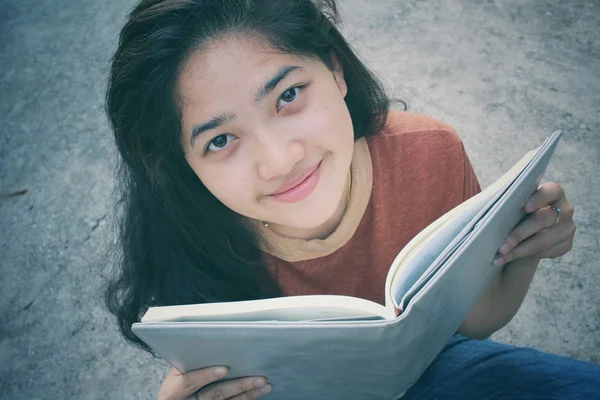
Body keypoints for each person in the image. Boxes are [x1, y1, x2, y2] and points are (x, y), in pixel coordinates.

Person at [104, 0, 599, 399]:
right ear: (182, 165)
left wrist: (524, 250)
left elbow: (473, 325)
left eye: (289, 95)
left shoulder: (429, 156)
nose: (279, 161)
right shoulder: (187, 247)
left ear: (335, 72)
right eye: (219, 141)